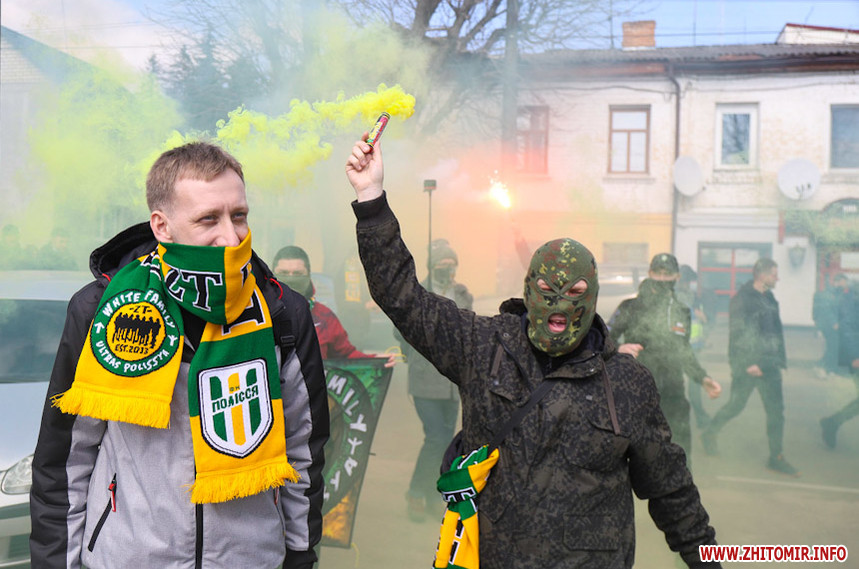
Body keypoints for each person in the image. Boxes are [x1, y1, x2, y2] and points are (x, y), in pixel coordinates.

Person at [345, 136, 720, 568]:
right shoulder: (484, 348)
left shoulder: (625, 383)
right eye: (546, 289)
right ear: (528, 290)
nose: (560, 303)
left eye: (575, 292)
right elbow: (402, 297)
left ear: (593, 298)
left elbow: (671, 489)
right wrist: (371, 199)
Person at [30, 142, 329, 569]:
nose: (231, 236)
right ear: (162, 226)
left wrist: (299, 554)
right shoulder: (101, 310)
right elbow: (65, 458)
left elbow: (303, 450)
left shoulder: (283, 312)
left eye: (239, 215)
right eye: (209, 219)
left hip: (251, 558)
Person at [608, 253, 721, 465]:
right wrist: (618, 348)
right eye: (657, 273)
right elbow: (604, 338)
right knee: (631, 457)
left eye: (667, 273)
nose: (662, 278)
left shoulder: (682, 311)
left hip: (673, 394)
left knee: (679, 454)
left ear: (676, 276)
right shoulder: (630, 307)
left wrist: (703, 378)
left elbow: (684, 351)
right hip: (636, 393)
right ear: (650, 273)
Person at [395, 238, 473, 522]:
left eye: (451, 262)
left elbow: (470, 327)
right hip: (425, 380)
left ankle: (431, 494)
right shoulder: (417, 292)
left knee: (446, 440)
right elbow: (399, 330)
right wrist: (415, 356)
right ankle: (416, 492)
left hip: (453, 383)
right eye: (442, 262)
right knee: (436, 437)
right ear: (431, 265)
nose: (447, 266)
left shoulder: (463, 293)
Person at [701, 258, 798, 477]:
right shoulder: (742, 299)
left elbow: (774, 331)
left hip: (770, 365)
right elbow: (738, 333)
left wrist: (779, 359)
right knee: (736, 405)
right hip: (749, 366)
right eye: (774, 274)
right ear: (762, 275)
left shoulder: (769, 298)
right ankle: (709, 433)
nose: (777, 278)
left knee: (776, 412)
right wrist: (748, 363)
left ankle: (776, 457)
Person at [272, 244, 396, 366]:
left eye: (298, 273)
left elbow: (346, 356)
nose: (291, 278)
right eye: (283, 273)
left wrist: (375, 361)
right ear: (272, 275)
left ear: (308, 275)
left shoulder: (324, 317)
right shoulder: (261, 314)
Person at [820, 279, 859, 448]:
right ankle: (832, 422)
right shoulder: (854, 301)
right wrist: (854, 356)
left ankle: (832, 422)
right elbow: (847, 326)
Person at [676, 265, 711, 428]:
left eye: (689, 281)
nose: (688, 284)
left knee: (695, 386)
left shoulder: (693, 296)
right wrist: (693, 312)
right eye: (686, 281)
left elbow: (700, 322)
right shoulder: (674, 295)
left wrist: (703, 339)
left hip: (694, 347)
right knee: (675, 386)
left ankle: (701, 420)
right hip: (678, 348)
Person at [812, 273, 849, 377]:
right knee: (833, 347)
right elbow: (826, 310)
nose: (845, 284)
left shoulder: (836, 293)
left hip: (833, 325)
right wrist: (834, 322)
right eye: (844, 282)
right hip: (829, 326)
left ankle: (825, 367)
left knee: (832, 347)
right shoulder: (828, 294)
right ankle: (827, 369)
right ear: (837, 282)